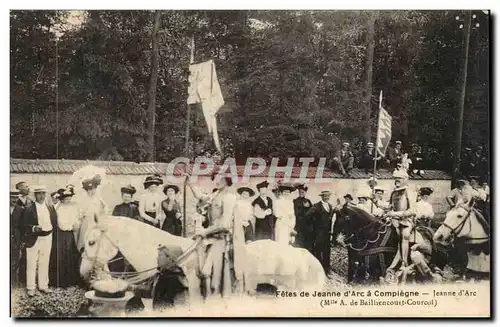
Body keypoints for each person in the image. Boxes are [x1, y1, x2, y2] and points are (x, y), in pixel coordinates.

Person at [22, 186, 57, 296]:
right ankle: (31, 287)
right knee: (32, 263)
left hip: (47, 237)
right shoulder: (29, 208)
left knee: (44, 262)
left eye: (43, 193)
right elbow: (23, 225)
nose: (41, 196)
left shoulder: (50, 208)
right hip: (34, 238)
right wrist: (33, 228)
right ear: (35, 195)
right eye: (39, 193)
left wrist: (50, 231)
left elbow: (54, 222)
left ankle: (43, 286)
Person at [385, 169, 418, 270]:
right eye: (395, 178)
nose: (396, 180)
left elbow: (412, 211)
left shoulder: (409, 192)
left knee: (404, 235)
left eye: (399, 178)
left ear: (405, 179)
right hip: (393, 220)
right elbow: (389, 207)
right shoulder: (394, 192)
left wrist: (395, 214)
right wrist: (375, 201)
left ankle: (404, 263)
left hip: (406, 221)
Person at [50, 187, 80, 288]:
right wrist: (70, 226)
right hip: (61, 234)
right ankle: (60, 281)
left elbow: (75, 219)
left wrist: (75, 225)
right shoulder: (58, 208)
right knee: (60, 256)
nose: (68, 201)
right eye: (66, 199)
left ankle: (71, 280)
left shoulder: (72, 208)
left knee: (70, 254)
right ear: (62, 199)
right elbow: (61, 223)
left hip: (69, 234)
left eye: (69, 199)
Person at [75, 177, 108, 252]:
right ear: (86, 190)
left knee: (95, 241)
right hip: (86, 223)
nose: (91, 191)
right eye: (89, 190)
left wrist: (103, 214)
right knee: (84, 241)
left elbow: (106, 207)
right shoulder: (83, 199)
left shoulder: (98, 198)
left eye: (93, 189)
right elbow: (80, 212)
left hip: (95, 222)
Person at [308, 190, 335, 277]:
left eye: (328, 196)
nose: (327, 197)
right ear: (322, 197)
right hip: (318, 233)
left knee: (327, 251)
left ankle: (327, 269)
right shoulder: (316, 206)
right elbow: (307, 216)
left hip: (327, 233)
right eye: (325, 196)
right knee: (318, 251)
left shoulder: (330, 206)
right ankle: (318, 271)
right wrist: (314, 226)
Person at [11, 182, 33, 287]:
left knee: (26, 256)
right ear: (19, 188)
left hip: (27, 233)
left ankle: (23, 279)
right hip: (16, 233)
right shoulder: (15, 201)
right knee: (14, 256)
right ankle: (13, 279)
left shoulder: (30, 201)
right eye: (26, 187)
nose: (28, 188)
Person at [293, 184, 313, 252]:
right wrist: (303, 207)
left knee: (307, 245)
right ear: (298, 192)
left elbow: (312, 213)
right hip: (299, 226)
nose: (301, 193)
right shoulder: (295, 201)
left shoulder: (308, 201)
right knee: (299, 245)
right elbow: (296, 214)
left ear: (305, 192)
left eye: (303, 192)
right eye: (300, 191)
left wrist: (308, 208)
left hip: (307, 227)